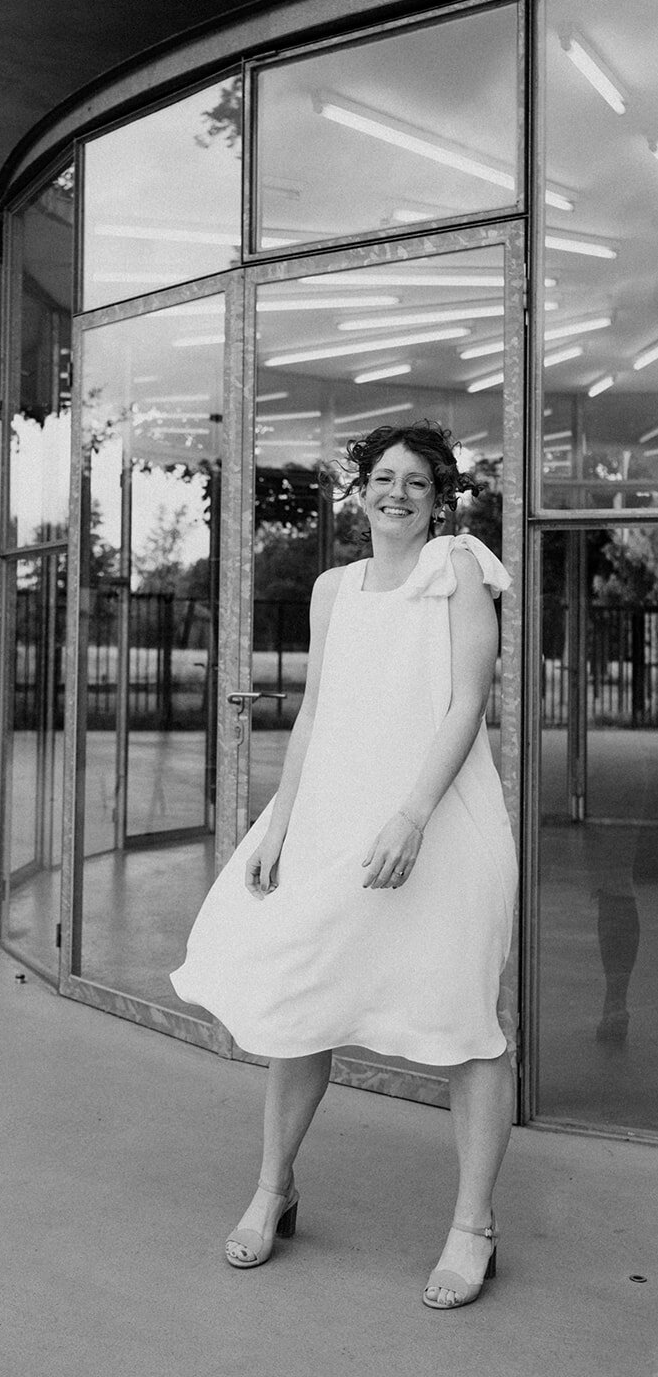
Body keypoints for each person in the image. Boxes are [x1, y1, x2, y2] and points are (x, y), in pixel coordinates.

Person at [170, 419, 518, 1309]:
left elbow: (466, 704)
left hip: (438, 824)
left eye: (416, 482)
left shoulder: (461, 572)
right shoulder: (332, 587)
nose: (395, 492)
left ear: (440, 499)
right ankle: (272, 1189)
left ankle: (472, 1227)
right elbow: (316, 714)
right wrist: (279, 825)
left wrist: (411, 816)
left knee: (464, 1023)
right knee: (298, 1004)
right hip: (329, 822)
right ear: (358, 490)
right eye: (381, 478)